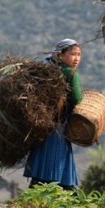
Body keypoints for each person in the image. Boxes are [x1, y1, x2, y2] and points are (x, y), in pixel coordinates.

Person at [24, 38, 83, 190]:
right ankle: (70, 195)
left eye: (79, 55)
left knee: (42, 165)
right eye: (72, 54)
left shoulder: (46, 68)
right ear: (61, 55)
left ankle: (35, 194)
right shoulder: (70, 74)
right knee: (59, 159)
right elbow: (77, 98)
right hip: (59, 126)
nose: (76, 58)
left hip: (42, 125)